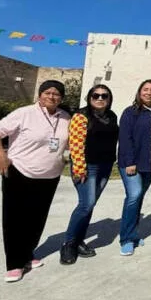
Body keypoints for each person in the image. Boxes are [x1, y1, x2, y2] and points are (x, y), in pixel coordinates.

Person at [0, 80, 71, 283]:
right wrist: (0, 155)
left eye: (57, 94)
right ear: (40, 95)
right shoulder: (24, 113)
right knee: (15, 220)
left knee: (36, 219)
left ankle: (27, 254)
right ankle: (14, 264)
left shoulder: (65, 117)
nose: (52, 96)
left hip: (50, 176)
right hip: (20, 173)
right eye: (47, 92)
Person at [60, 84, 119, 265]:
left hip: (105, 165)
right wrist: (79, 167)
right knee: (86, 204)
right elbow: (76, 144)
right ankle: (68, 243)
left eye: (104, 96)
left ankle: (78, 241)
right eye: (96, 95)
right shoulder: (81, 116)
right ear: (89, 97)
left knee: (90, 205)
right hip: (88, 166)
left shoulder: (111, 116)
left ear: (109, 99)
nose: (100, 98)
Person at [117, 79, 151, 256]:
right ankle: (126, 238)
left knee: (138, 198)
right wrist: (130, 162)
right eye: (145, 90)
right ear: (139, 92)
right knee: (134, 196)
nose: (149, 93)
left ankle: (133, 233)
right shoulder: (131, 112)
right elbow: (125, 138)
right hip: (131, 163)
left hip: (149, 163)